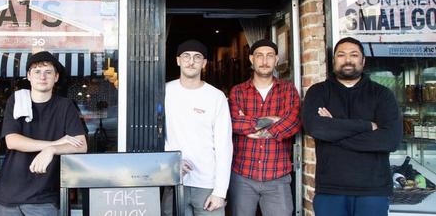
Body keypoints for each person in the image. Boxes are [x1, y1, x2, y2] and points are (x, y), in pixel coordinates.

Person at [302, 37, 402, 216]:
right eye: (341, 55)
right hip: (330, 189)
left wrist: (334, 130)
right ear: (334, 61)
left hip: (373, 190)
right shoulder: (318, 92)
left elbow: (390, 140)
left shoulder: (382, 94)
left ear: (363, 61)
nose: (347, 60)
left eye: (354, 55)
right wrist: (367, 126)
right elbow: (316, 128)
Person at [0, 51, 87, 216]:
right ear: (29, 76)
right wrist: (55, 144)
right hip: (8, 194)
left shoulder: (65, 106)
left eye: (48, 72)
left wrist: (51, 150)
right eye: (37, 71)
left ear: (56, 77)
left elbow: (81, 145)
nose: (42, 76)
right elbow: (12, 141)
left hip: (44, 198)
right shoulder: (17, 101)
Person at [228, 39, 301, 216]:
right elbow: (234, 123)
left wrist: (254, 127)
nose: (264, 61)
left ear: (276, 60)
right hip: (243, 175)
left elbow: (293, 122)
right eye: (259, 56)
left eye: (270, 56)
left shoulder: (288, 90)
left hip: (278, 175)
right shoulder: (238, 91)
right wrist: (273, 120)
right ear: (251, 59)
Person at [162, 39, 233, 216]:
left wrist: (220, 192)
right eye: (186, 56)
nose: (191, 61)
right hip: (174, 180)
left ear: (204, 63)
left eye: (197, 57)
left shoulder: (216, 97)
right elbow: (153, 134)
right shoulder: (164, 92)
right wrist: (170, 159)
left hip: (208, 185)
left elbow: (224, 146)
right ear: (178, 60)